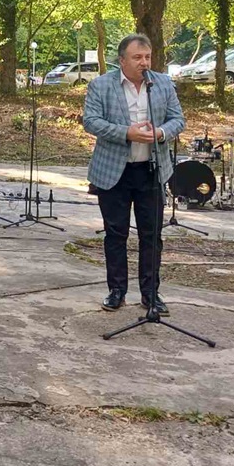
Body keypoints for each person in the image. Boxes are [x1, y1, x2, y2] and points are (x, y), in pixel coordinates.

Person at [83, 34, 185, 315]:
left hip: (151, 170)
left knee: (151, 235)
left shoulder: (162, 83)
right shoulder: (101, 85)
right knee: (115, 234)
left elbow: (178, 119)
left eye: (147, 57)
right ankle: (117, 291)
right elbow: (90, 122)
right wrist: (126, 133)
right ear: (122, 60)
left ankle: (151, 294)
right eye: (137, 57)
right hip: (113, 171)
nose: (144, 63)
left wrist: (161, 132)